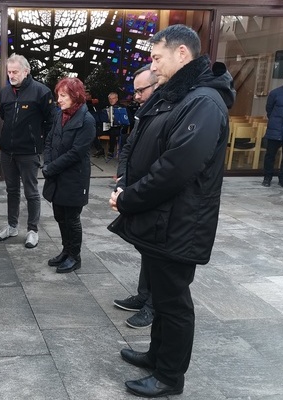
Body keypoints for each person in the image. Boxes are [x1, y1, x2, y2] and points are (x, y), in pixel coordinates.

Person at [108, 24, 235, 397]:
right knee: (162, 297)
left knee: (174, 302)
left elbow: (176, 169)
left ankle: (169, 377)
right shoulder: (176, 95)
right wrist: (125, 183)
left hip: (180, 222)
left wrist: (128, 198)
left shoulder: (203, 103)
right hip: (161, 219)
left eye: (157, 57)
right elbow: (143, 144)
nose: (153, 65)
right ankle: (157, 356)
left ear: (182, 54)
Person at [113, 64, 158, 329]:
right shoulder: (145, 113)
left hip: (154, 192)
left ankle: (153, 304)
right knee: (144, 246)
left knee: (155, 249)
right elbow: (128, 148)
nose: (137, 96)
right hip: (136, 187)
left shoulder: (170, 112)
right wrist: (122, 178)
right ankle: (143, 295)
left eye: (141, 90)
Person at [0, 54, 56, 248]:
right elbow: (4, 116)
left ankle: (32, 230)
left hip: (29, 152)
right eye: (9, 72)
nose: (11, 75)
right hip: (7, 151)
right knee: (11, 190)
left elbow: (51, 122)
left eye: (15, 72)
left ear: (26, 71)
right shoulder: (4, 93)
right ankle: (12, 226)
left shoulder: (41, 92)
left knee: (31, 192)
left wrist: (41, 145)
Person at [42, 77, 95, 273]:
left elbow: (76, 153)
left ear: (75, 96)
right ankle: (66, 251)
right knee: (59, 216)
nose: (59, 99)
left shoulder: (87, 120)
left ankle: (75, 256)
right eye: (58, 95)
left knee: (72, 219)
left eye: (63, 95)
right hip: (56, 176)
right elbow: (49, 141)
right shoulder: (60, 115)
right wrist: (47, 162)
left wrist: (51, 167)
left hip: (73, 178)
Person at [261, 71, 283, 188]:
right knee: (270, 155)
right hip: (275, 129)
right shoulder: (275, 93)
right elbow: (269, 110)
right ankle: (267, 177)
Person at [103, 92, 129, 158]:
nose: (111, 100)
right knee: (93, 131)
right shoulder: (106, 108)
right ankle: (99, 149)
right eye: (110, 99)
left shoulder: (122, 108)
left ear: (117, 99)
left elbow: (129, 120)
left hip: (119, 128)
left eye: (113, 98)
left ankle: (111, 151)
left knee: (113, 132)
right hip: (107, 127)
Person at [86, 90, 106, 157]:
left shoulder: (94, 102)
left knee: (93, 133)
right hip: (89, 123)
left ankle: (100, 149)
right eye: (85, 95)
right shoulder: (85, 104)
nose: (86, 96)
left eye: (87, 95)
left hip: (98, 124)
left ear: (90, 96)